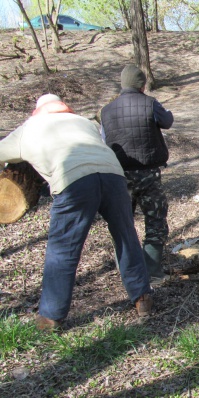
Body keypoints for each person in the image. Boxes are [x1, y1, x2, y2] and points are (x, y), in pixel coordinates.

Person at [0, 94, 153, 331]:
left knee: (64, 248)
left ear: (38, 111)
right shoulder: (83, 121)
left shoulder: (29, 128)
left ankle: (51, 316)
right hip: (113, 175)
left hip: (74, 180)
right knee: (126, 236)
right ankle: (143, 298)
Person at [100, 65, 173, 285]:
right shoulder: (150, 103)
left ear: (123, 84)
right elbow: (167, 122)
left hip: (118, 175)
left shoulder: (106, 110)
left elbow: (104, 140)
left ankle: (128, 272)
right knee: (155, 219)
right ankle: (152, 271)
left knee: (122, 223)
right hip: (148, 172)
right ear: (142, 85)